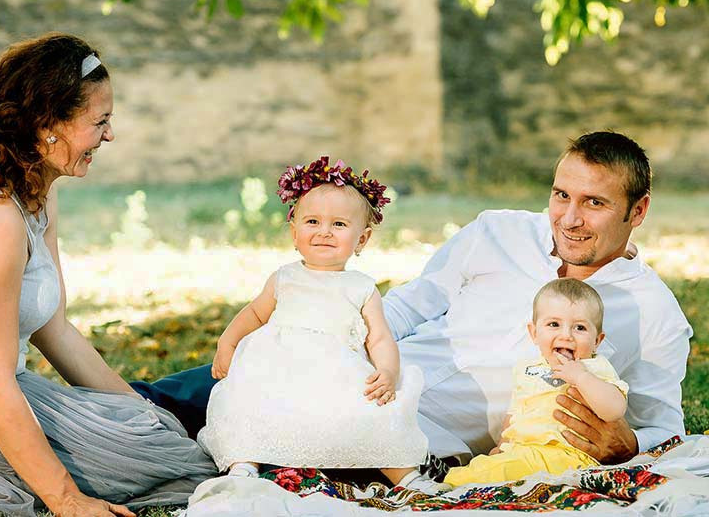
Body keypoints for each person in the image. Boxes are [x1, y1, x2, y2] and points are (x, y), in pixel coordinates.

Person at [133, 131, 691, 478]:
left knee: (207, 446)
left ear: (637, 211)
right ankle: (83, 415)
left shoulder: (654, 312)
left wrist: (628, 442)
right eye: (560, 195)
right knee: (168, 401)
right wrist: (323, 336)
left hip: (413, 436)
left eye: (594, 203)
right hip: (358, 367)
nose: (569, 218)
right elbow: (410, 305)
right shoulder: (496, 232)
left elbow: (664, 424)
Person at [0, 33, 216, 517]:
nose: (109, 136)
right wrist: (67, 500)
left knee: (157, 430)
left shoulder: (36, 193)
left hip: (3, 395)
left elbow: (55, 330)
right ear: (47, 126)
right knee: (183, 464)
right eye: (100, 122)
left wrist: (144, 415)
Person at [196, 157, 436, 492]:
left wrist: (388, 371)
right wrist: (228, 342)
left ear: (362, 239)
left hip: (336, 373)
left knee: (374, 413)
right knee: (246, 403)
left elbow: (379, 338)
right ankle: (244, 463)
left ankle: (404, 475)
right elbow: (253, 314)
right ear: (294, 232)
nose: (324, 232)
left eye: (339, 225)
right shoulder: (284, 278)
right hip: (277, 369)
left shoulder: (361, 287)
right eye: (312, 221)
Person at [443, 278, 628, 487]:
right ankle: (454, 479)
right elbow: (516, 411)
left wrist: (581, 377)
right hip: (522, 451)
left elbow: (615, 410)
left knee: (493, 472)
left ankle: (443, 482)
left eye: (580, 328)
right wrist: (503, 444)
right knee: (492, 465)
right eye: (554, 324)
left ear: (597, 341)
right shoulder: (527, 368)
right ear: (534, 333)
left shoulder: (593, 368)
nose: (566, 335)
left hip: (563, 454)